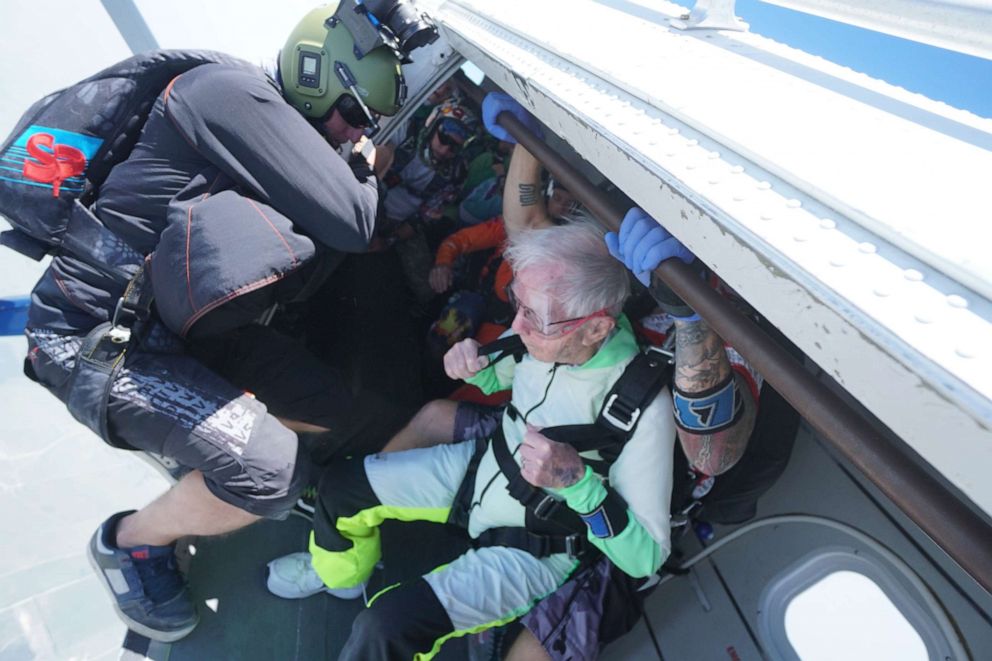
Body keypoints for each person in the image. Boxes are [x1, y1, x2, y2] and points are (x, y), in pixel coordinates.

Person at [4, 4, 417, 643]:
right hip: (99, 340)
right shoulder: (227, 93)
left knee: (327, 403)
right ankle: (128, 545)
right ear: (316, 74)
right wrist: (366, 166)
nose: (350, 131)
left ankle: (217, 465)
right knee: (273, 471)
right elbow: (354, 221)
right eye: (354, 114)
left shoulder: (255, 122)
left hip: (176, 333)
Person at [266, 218, 676, 660]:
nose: (516, 325)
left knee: (386, 628)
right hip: (481, 468)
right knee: (340, 490)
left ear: (596, 328)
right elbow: (504, 369)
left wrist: (578, 484)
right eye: (517, 302)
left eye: (533, 318)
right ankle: (342, 578)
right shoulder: (540, 328)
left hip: (538, 541)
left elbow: (645, 558)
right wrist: (472, 367)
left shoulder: (642, 406)